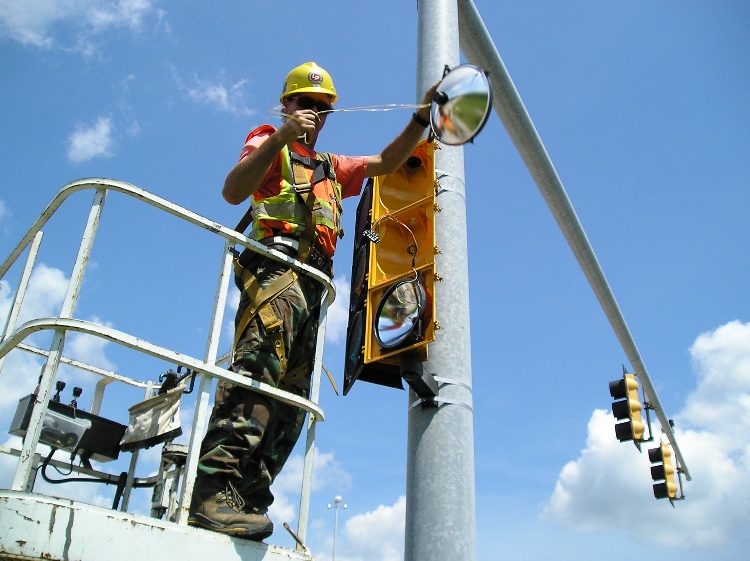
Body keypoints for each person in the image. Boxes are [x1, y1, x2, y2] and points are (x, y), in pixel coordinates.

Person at [188, 62, 435, 541]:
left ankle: (248, 498)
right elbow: (232, 190)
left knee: (290, 401)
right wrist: (283, 135)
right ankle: (212, 493)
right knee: (256, 380)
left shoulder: (329, 167)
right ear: (286, 105)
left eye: (322, 108)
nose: (314, 113)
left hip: (313, 292)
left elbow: (384, 163)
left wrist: (420, 119)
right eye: (305, 104)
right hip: (276, 277)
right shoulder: (268, 143)